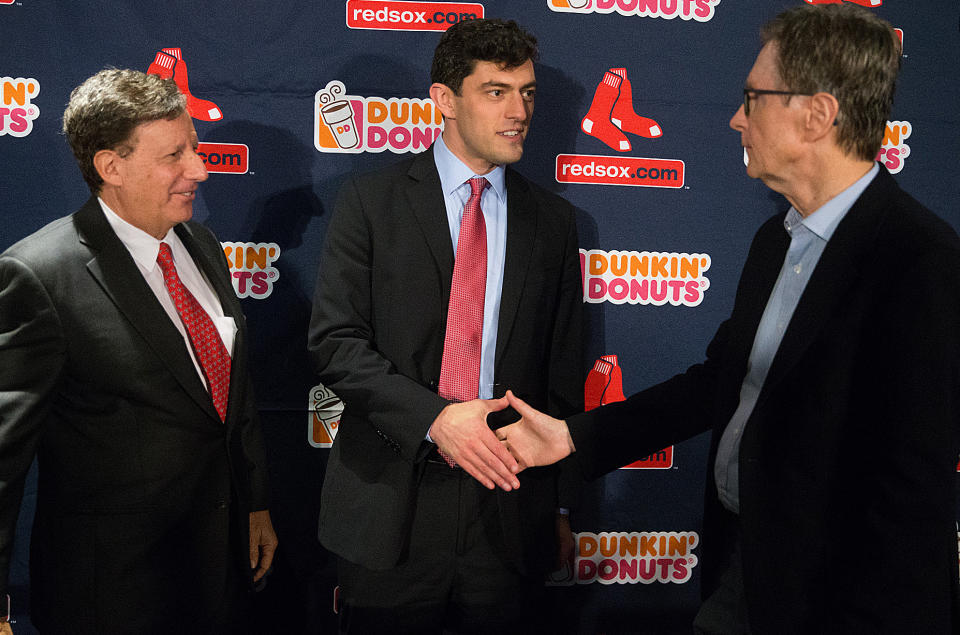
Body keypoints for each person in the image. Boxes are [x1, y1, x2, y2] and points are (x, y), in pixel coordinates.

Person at [496, 5, 960, 633]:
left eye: (753, 98)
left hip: (837, 602)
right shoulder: (776, 240)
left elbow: (911, 498)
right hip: (742, 570)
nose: (737, 117)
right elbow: (719, 383)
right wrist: (573, 438)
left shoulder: (920, 260)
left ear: (817, 115)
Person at [308, 18, 583, 634]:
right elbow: (335, 342)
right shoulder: (370, 203)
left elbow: (561, 374)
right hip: (388, 502)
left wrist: (560, 506)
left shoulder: (556, 223)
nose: (519, 111)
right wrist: (435, 420)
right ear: (444, 100)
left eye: (528, 92)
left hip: (508, 504)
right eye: (496, 91)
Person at [0, 69, 277, 635]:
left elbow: (228, 394)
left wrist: (253, 503)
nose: (199, 170)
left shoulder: (200, 244)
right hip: (111, 595)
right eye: (175, 155)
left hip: (220, 574)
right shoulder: (38, 274)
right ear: (111, 167)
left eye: (195, 149)